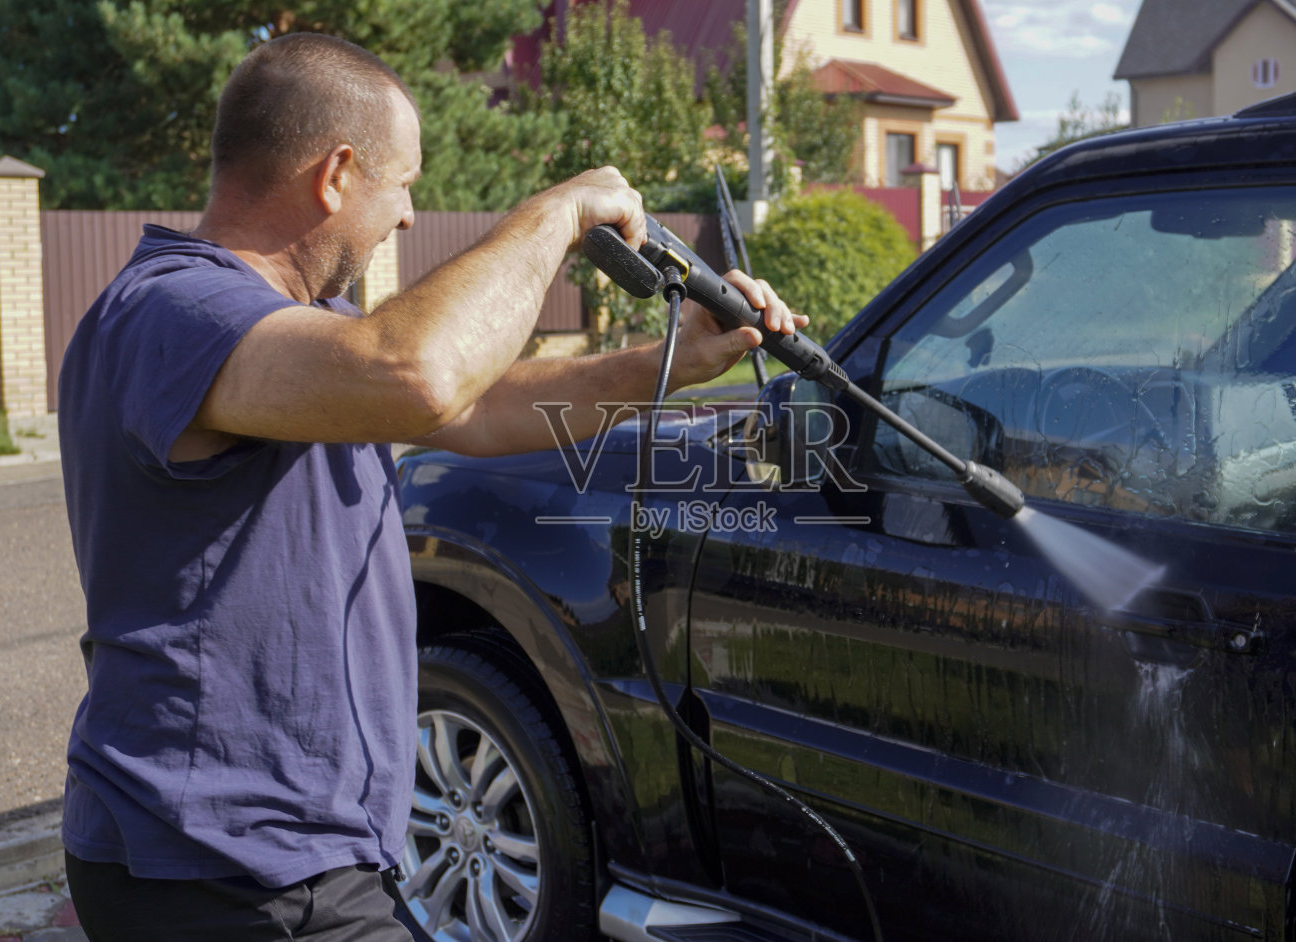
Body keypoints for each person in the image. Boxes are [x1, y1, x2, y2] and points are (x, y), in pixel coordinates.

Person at [56, 31, 802, 941]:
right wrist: (554, 214)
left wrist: (670, 361)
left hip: (284, 856)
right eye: (402, 183)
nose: (408, 216)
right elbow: (419, 374)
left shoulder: (298, 329)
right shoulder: (173, 309)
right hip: (225, 868)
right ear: (336, 174)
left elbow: (474, 409)